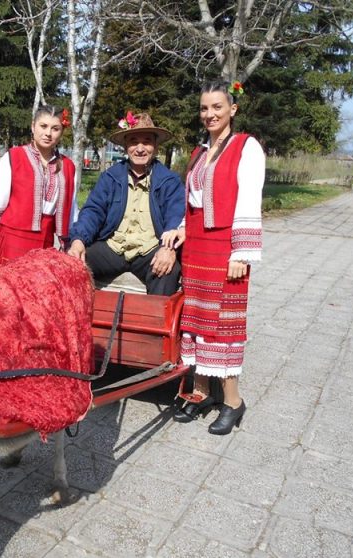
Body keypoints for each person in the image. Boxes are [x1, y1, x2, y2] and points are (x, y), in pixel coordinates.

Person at [164, 80, 264, 435]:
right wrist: (182, 229)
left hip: (226, 250)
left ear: (232, 110)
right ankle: (201, 392)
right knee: (196, 322)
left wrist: (242, 251)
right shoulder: (198, 151)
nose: (210, 114)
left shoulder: (246, 148)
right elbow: (195, 202)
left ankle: (233, 401)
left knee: (223, 327)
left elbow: (249, 199)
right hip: (198, 249)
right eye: (205, 108)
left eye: (217, 107)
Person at [67, 112, 185, 295]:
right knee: (72, 261)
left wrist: (168, 249)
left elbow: (175, 216)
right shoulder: (111, 177)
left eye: (146, 141)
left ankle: (153, 323)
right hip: (114, 247)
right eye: (133, 141)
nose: (140, 148)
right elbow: (93, 211)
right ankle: (77, 319)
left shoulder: (169, 180)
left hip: (149, 250)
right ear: (125, 146)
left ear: (155, 145)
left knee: (168, 271)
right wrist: (78, 240)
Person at [0, 105, 77, 272]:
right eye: (43, 126)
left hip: (45, 243)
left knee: (35, 294)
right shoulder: (14, 157)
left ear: (61, 132)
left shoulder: (68, 167)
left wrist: (71, 243)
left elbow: (71, 210)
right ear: (33, 126)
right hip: (12, 240)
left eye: (55, 128)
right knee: (6, 294)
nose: (48, 133)